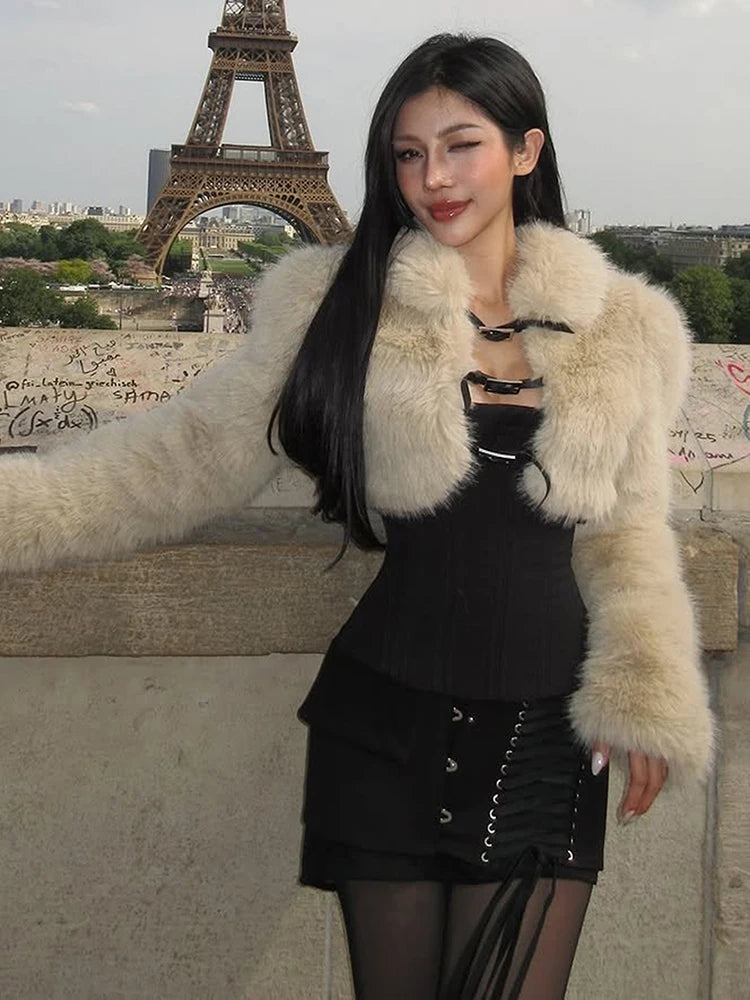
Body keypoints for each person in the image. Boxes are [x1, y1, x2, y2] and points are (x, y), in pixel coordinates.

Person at [0, 32, 715, 1000]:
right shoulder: (336, 303)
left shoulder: (628, 327)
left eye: (461, 145)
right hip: (385, 723)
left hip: (545, 738)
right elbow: (184, 455)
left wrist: (649, 689)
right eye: (408, 153)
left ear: (527, 150)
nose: (433, 178)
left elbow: (627, 536)